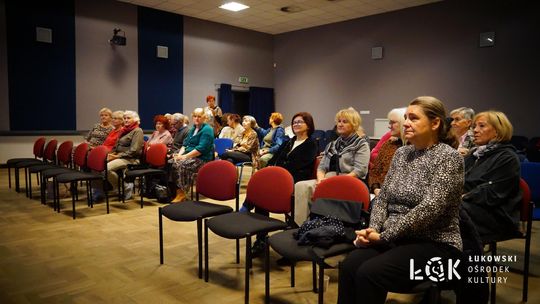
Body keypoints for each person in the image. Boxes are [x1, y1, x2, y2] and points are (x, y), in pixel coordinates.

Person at [337, 96, 463, 304]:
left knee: (369, 273)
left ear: (435, 123)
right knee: (350, 266)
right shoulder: (402, 153)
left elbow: (431, 208)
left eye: (413, 118)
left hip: (434, 242)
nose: (406, 123)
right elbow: (384, 196)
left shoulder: (449, 157)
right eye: (405, 118)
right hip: (395, 237)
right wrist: (373, 230)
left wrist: (385, 235)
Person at [293, 107, 370, 225]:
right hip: (330, 178)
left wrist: (334, 182)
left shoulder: (361, 144)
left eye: (345, 121)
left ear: (354, 124)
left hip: (351, 180)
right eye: (339, 121)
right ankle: (301, 225)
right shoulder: (333, 144)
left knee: (327, 184)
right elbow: (322, 167)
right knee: (301, 186)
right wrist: (320, 180)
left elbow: (359, 171)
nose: (340, 124)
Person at [461, 110, 521, 242]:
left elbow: (492, 193)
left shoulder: (507, 157)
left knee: (449, 212)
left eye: (481, 126)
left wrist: (461, 196)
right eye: (474, 126)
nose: (475, 130)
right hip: (470, 207)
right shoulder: (474, 154)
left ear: (498, 131)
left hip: (495, 215)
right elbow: (456, 179)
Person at [94, 110, 144, 200]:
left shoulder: (138, 131)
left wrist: (118, 156)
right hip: (120, 157)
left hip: (131, 159)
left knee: (106, 168)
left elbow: (134, 150)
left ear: (135, 119)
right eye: (124, 118)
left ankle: (124, 187)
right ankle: (116, 188)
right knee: (99, 165)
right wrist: (110, 154)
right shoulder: (124, 130)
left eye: (128, 118)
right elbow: (116, 147)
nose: (126, 120)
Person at [169, 108, 214, 203]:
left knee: (181, 164)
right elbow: (185, 144)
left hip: (202, 158)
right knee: (171, 162)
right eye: (195, 116)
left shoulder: (207, 129)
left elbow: (200, 149)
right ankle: (173, 191)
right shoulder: (193, 128)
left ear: (204, 118)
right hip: (190, 156)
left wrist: (184, 157)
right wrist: (179, 155)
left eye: (199, 116)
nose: (196, 118)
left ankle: (182, 193)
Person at [368, 108, 406, 195]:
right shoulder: (388, 144)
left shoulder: (415, 148)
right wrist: (376, 189)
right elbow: (374, 172)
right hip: (380, 193)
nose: (389, 126)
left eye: (393, 122)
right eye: (390, 122)